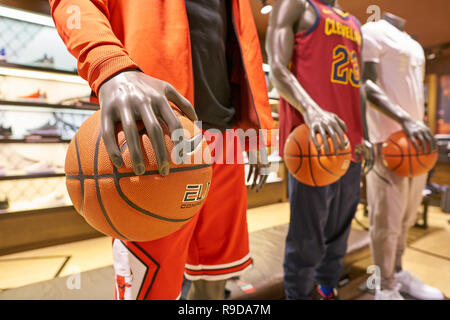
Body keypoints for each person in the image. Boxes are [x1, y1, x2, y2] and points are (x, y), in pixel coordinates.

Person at [50, 0, 274, 300]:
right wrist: (108, 64)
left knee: (215, 278)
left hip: (226, 137)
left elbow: (241, 45)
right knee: (152, 290)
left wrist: (256, 134)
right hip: (156, 135)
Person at [266, 0, 373, 300]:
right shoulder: (295, 5)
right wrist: (312, 109)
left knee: (339, 236)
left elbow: (358, 84)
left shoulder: (354, 23)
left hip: (349, 143)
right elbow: (276, 67)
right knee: (307, 239)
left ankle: (328, 290)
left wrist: (363, 134)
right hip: (312, 142)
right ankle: (297, 296)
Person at [361, 13, 444, 300]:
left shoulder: (414, 44)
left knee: (406, 220)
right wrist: (404, 119)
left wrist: (416, 124)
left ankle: (396, 273)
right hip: (388, 143)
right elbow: (365, 84)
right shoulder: (372, 30)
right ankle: (383, 287)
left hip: (416, 148)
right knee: (386, 224)